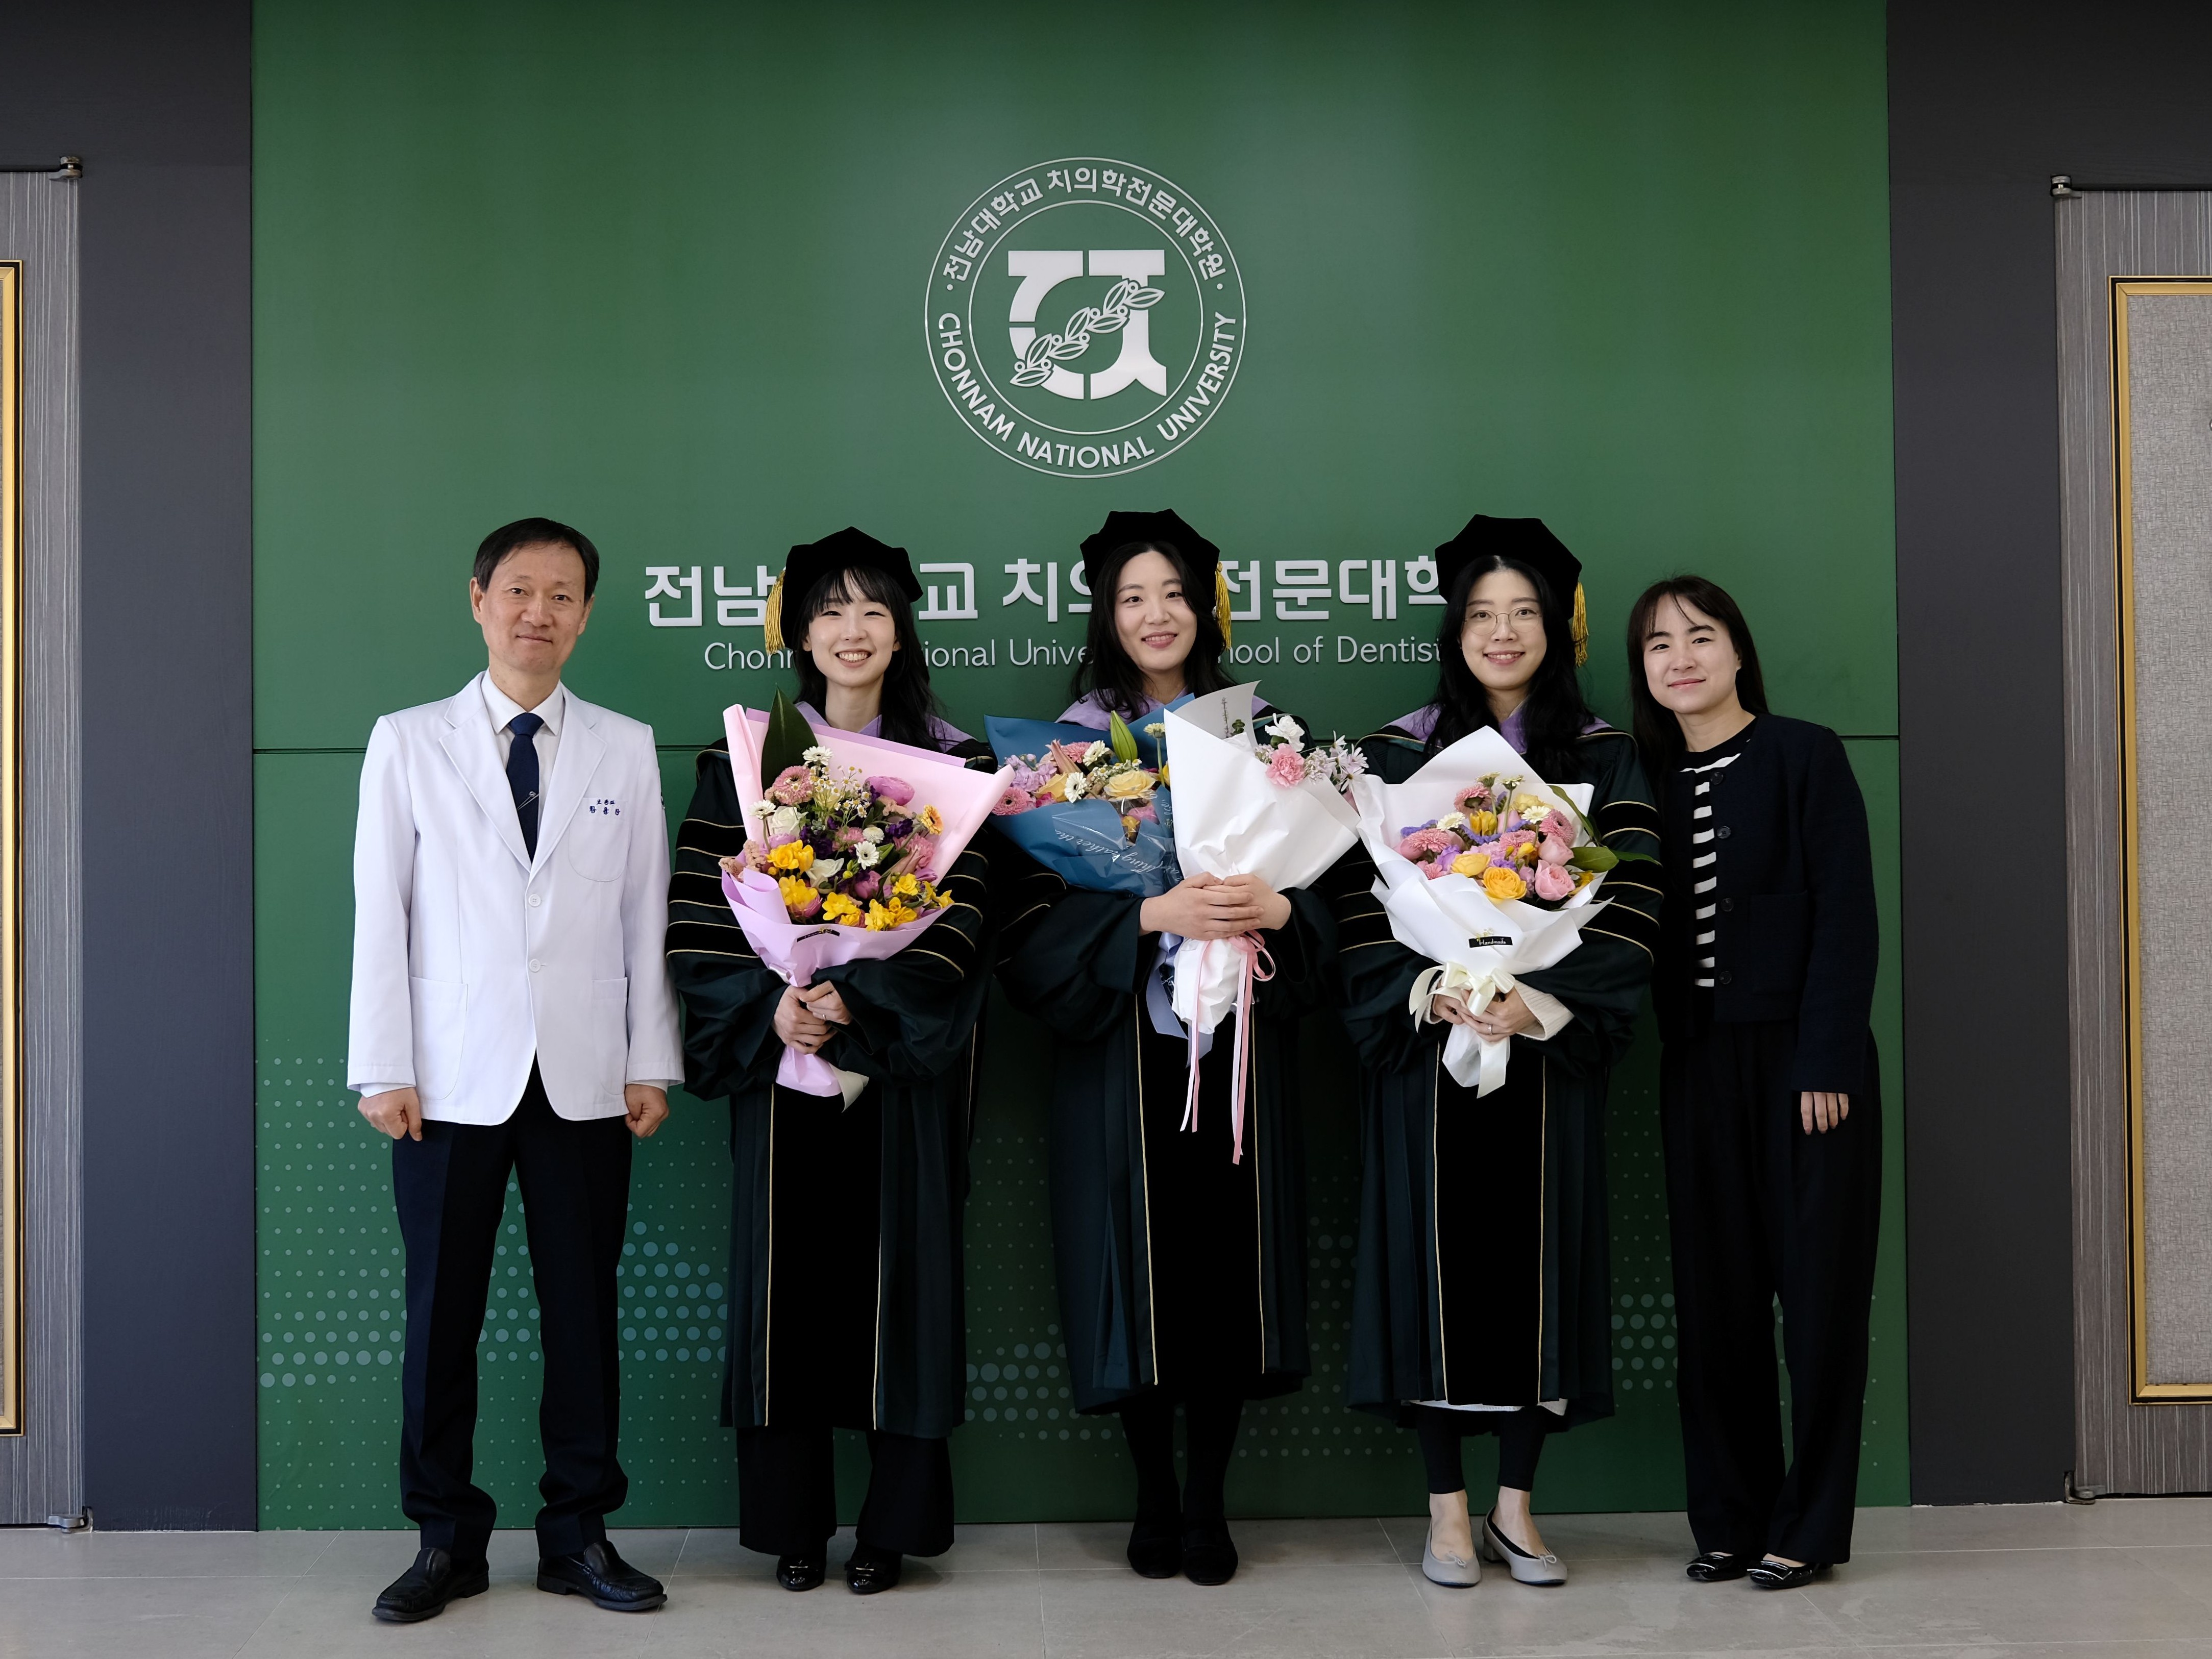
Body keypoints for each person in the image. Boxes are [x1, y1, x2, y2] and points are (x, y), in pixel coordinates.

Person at [348, 517, 683, 1623]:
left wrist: (651, 1060)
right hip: (444, 1082)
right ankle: (444, 1540)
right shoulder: (408, 740)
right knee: (441, 1314)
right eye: (520, 591)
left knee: (582, 1313)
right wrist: (381, 1066)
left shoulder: (623, 746)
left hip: (587, 1075)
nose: (539, 613)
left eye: (563, 595)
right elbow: (379, 916)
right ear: (479, 600)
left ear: (586, 616)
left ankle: (579, 1533)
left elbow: (644, 915)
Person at [992, 510, 1335, 1587]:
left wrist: (1272, 909)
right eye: (1134, 596)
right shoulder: (1062, 759)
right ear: (1107, 613)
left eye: (1176, 594)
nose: (1156, 614)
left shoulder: (1271, 741)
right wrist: (1147, 916)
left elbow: (1336, 897)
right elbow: (1023, 932)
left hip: (1235, 1043)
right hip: (1122, 1052)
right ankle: (1149, 1490)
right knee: (1133, 1269)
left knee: (1220, 1269)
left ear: (1205, 609)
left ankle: (1207, 1499)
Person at [1321, 515, 1660, 1589]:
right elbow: (1356, 902)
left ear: (1559, 628)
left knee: (1537, 1269)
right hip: (1427, 1060)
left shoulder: (1605, 758)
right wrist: (1433, 987)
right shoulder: (1393, 755)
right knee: (1431, 1268)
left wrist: (1536, 1002)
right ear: (1452, 628)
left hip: (1545, 1063)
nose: (1501, 633)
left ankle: (1518, 1505)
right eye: (1480, 614)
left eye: (1523, 613)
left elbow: (1632, 904)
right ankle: (1445, 1512)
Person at [665, 528, 995, 1597]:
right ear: (798, 631)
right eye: (831, 610)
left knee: (901, 1288)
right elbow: (701, 920)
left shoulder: (957, 765)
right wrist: (776, 1011)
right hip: (781, 1068)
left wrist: (857, 999)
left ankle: (890, 1526)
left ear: (901, 631)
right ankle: (794, 1525)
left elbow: (965, 918)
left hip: (897, 1071)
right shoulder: (747, 761)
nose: (852, 631)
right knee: (790, 1290)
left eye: (873, 610)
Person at [1628, 575, 1879, 1591]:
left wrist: (1824, 1056)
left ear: (1737, 651)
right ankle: (1729, 1518)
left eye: (1700, 636)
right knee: (1713, 1304)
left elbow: (1846, 915)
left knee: (1817, 1304)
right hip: (1696, 1069)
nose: (1679, 657)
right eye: (1657, 645)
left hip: (1803, 1068)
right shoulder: (1639, 782)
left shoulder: (1802, 756)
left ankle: (1808, 1525)